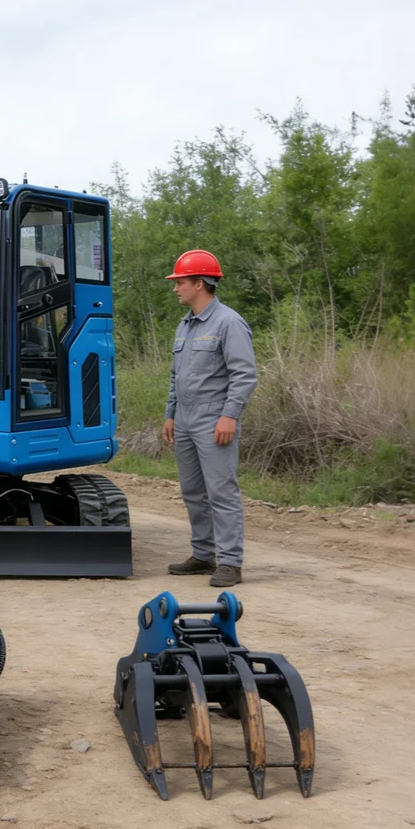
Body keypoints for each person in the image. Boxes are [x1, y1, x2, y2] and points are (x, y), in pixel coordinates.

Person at [161, 250, 257, 587]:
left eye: (180, 282)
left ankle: (230, 562)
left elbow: (244, 375)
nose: (175, 288)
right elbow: (176, 375)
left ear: (199, 283)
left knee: (221, 491)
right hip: (185, 421)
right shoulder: (185, 325)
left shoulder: (228, 322)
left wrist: (229, 416)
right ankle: (204, 554)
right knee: (193, 491)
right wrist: (170, 414)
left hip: (213, 420)